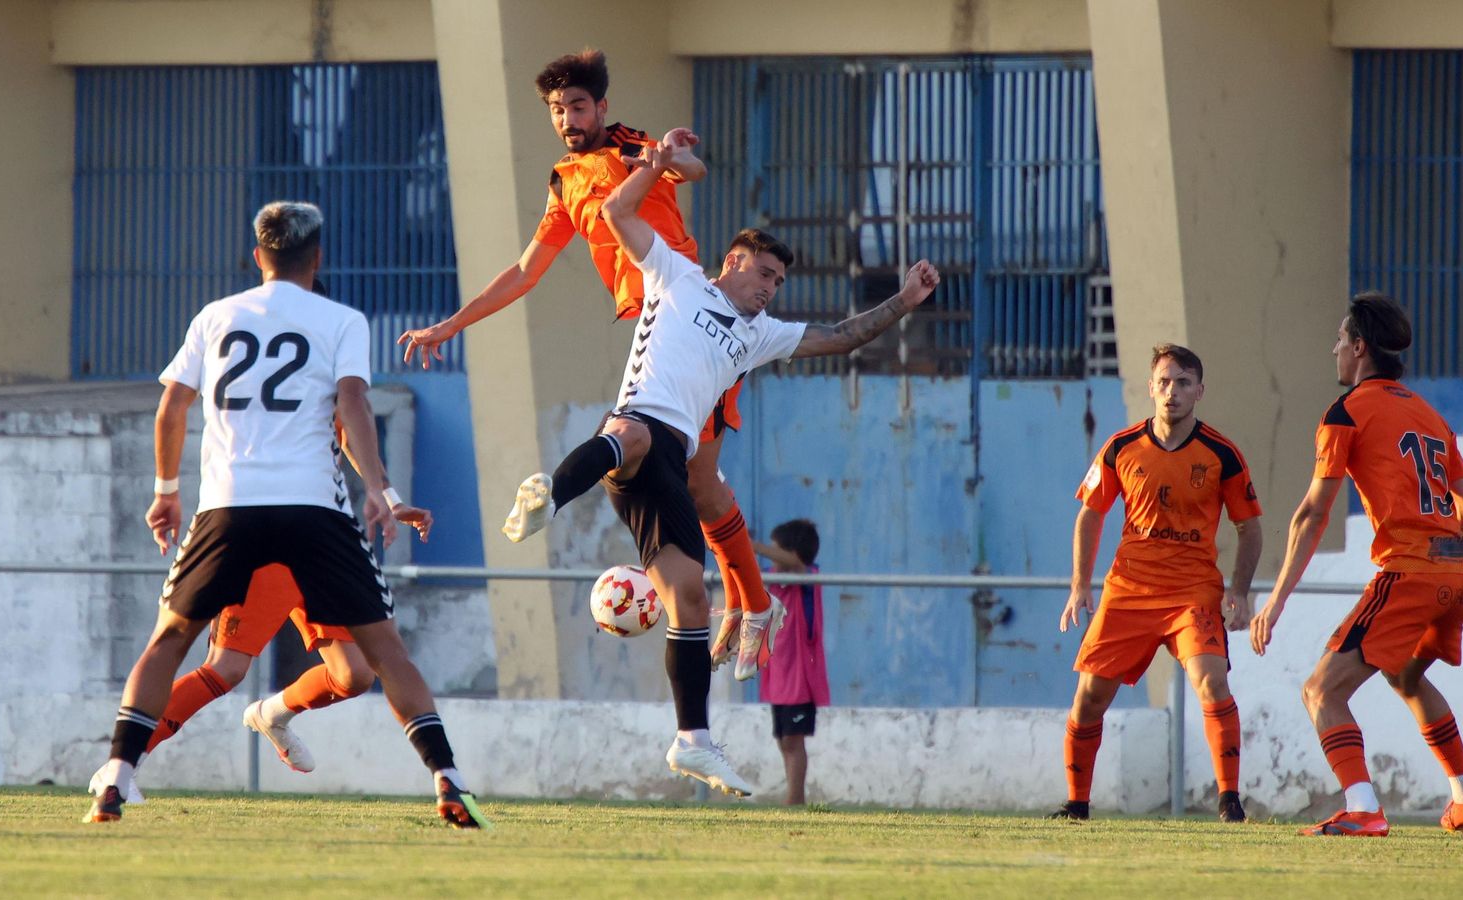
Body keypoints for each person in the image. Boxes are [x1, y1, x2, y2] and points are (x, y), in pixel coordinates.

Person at [497, 139, 940, 797]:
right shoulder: (676, 275)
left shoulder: (761, 334)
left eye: (778, 281)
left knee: (689, 598)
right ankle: (549, 495)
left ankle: (692, 740)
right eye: (764, 273)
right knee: (630, 432)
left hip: (670, 466)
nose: (770, 287)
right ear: (733, 262)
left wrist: (902, 301)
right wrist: (654, 165)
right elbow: (617, 213)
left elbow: (841, 337)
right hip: (635, 430)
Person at [83, 201, 489, 829]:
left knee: (191, 643)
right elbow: (354, 407)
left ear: (257, 256)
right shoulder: (341, 322)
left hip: (232, 508)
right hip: (312, 514)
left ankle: (130, 766)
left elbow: (173, 407)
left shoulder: (216, 316)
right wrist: (382, 492)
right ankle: (448, 779)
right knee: (369, 654)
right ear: (317, 258)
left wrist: (165, 491)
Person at [395, 49, 782, 678]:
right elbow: (525, 272)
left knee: (701, 483)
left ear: (601, 107)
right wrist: (450, 325)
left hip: (693, 324)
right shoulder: (564, 181)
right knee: (698, 482)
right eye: (557, 110)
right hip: (654, 330)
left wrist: (665, 158)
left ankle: (755, 604)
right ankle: (750, 604)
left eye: (577, 106)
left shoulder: (630, 145)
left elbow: (693, 168)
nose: (567, 119)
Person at [1250, 292, 1463, 837]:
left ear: (1360, 347)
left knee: (1321, 691)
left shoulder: (1347, 411)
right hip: (1461, 572)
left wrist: (1277, 599)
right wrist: (1442, 552)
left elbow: (1313, 513)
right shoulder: (1429, 414)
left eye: (1340, 339)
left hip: (1410, 571)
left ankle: (1363, 808)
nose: (1334, 349)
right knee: (1405, 676)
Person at [1055, 344, 1263, 823]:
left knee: (1211, 681)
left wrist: (1239, 590)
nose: (1173, 392)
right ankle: (1076, 804)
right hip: (1129, 590)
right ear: (1151, 387)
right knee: (1089, 697)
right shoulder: (1121, 446)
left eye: (1183, 383)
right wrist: (1080, 585)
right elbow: (1091, 513)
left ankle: (1230, 801)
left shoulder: (1222, 454)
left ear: (1200, 391)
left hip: (1193, 592)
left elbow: (1249, 527)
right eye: (1165, 382)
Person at [754, 520, 829, 806]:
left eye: (777, 551)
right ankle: (794, 798)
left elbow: (796, 564)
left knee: (793, 740)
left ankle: (795, 800)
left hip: (800, 676)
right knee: (783, 739)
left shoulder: (806, 577)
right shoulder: (774, 579)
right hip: (778, 675)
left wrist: (753, 545)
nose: (773, 558)